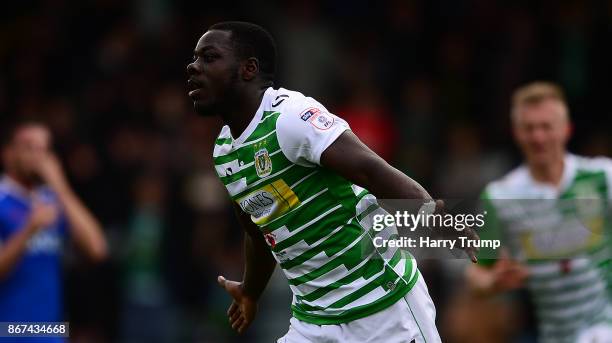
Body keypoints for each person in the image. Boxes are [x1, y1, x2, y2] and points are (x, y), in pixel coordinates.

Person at [186, 21, 476, 342]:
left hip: (384, 307)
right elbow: (257, 231)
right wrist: (250, 291)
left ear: (248, 69)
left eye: (209, 58)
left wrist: (430, 218)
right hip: (314, 323)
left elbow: (371, 170)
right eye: (195, 58)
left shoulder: (290, 117)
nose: (194, 67)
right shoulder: (224, 153)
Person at [466, 82, 612, 343]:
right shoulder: (501, 198)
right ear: (516, 132)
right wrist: (492, 283)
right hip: (555, 334)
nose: (538, 137)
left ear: (566, 129)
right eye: (529, 128)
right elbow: (475, 273)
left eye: (546, 127)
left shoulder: (602, 177)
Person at [0, 121, 107, 341]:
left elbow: (97, 249)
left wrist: (60, 186)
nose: (39, 156)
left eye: (45, 149)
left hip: (51, 333)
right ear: (9, 153)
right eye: (30, 147)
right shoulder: (2, 200)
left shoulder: (53, 200)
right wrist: (30, 228)